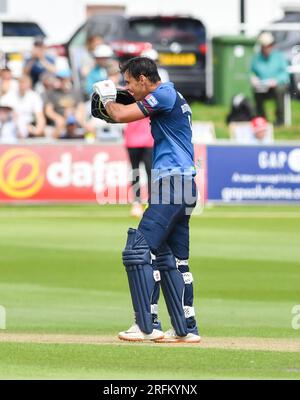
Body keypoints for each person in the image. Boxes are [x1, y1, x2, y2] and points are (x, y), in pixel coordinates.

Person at [93, 57, 201, 343]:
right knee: (173, 259)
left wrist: (107, 98)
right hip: (185, 184)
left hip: (172, 184)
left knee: (138, 248)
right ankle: (185, 328)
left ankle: (145, 324)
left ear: (143, 79)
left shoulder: (163, 93)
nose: (126, 86)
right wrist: (115, 101)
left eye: (129, 81)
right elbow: (126, 105)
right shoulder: (171, 95)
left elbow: (119, 115)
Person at [250, 32, 290, 126]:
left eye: (269, 45)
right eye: (265, 45)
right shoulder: (257, 58)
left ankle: (280, 119)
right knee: (256, 91)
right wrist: (253, 78)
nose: (267, 47)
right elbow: (252, 72)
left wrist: (276, 81)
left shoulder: (279, 56)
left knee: (279, 90)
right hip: (263, 87)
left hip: (277, 86)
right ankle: (262, 118)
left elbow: (285, 74)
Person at [45, 69, 87, 138]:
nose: (61, 81)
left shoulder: (76, 92)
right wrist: (58, 118)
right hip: (60, 120)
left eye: (63, 79)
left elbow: (81, 107)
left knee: (89, 127)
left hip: (74, 118)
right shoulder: (52, 93)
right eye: (60, 79)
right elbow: (48, 111)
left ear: (69, 79)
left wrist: (75, 114)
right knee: (60, 125)